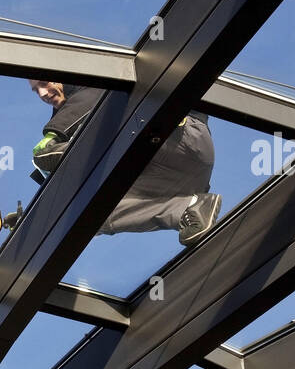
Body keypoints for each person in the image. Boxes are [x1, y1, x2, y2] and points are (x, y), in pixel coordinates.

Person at [28, 80, 221, 246]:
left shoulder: (94, 85)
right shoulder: (72, 114)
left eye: (44, 83)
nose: (42, 93)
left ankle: (72, 153)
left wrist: (55, 134)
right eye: (36, 90)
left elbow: (93, 96)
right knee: (88, 213)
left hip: (178, 139)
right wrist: (33, 221)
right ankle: (189, 208)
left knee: (113, 117)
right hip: (174, 183)